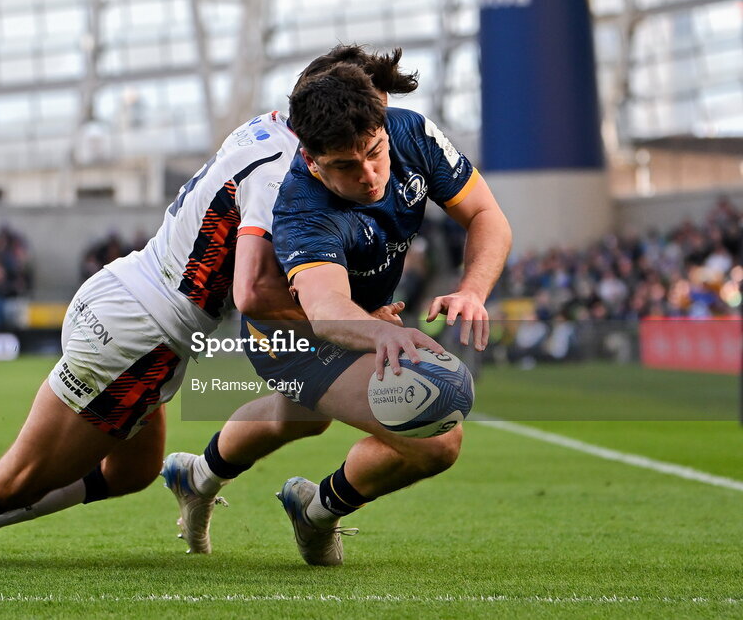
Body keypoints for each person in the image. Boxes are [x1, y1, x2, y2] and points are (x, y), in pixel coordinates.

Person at [0, 46, 406, 566]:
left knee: (135, 468)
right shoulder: (277, 181)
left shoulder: (268, 124)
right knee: (18, 477)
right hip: (140, 337)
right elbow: (252, 294)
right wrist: (348, 320)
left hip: (133, 300)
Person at [163, 56, 511, 566]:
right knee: (437, 431)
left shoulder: (412, 132)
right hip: (288, 330)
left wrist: (473, 290)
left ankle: (197, 477)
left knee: (298, 418)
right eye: (346, 166)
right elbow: (325, 311)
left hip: (361, 315)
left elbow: (487, 214)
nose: (369, 175)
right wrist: (377, 330)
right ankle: (318, 510)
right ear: (311, 159)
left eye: (374, 153)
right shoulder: (299, 204)